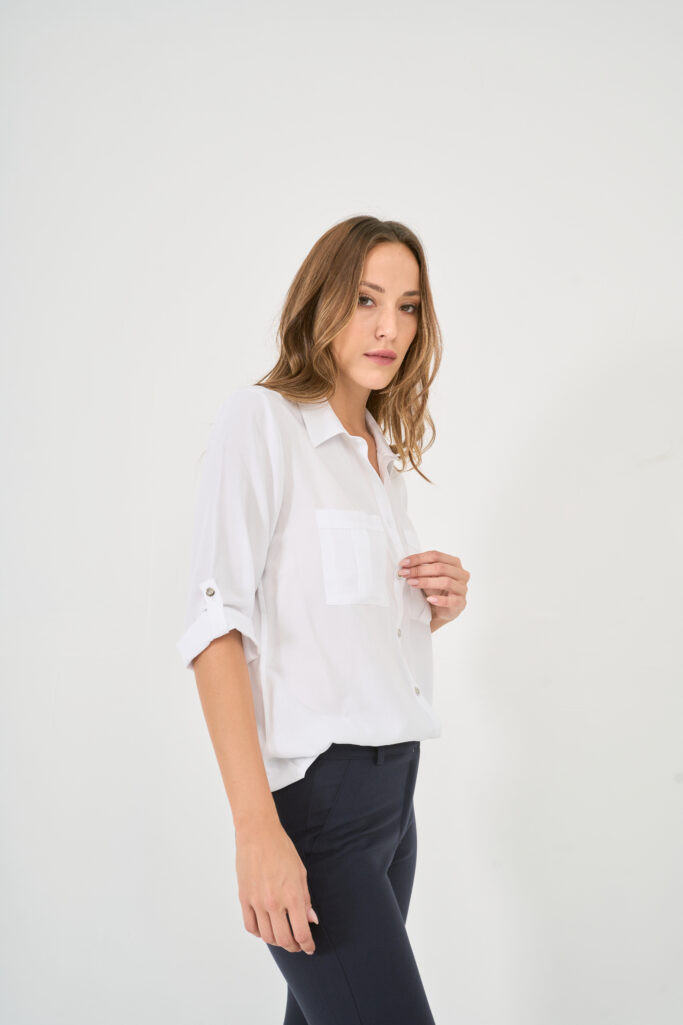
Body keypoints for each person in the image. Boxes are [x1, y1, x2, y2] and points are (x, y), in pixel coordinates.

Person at [176, 215, 470, 1024]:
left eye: (408, 307)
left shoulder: (377, 449)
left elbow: (330, 630)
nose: (389, 328)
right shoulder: (262, 421)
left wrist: (432, 607)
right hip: (317, 809)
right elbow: (216, 628)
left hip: (394, 804)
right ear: (320, 303)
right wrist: (255, 831)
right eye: (366, 299)